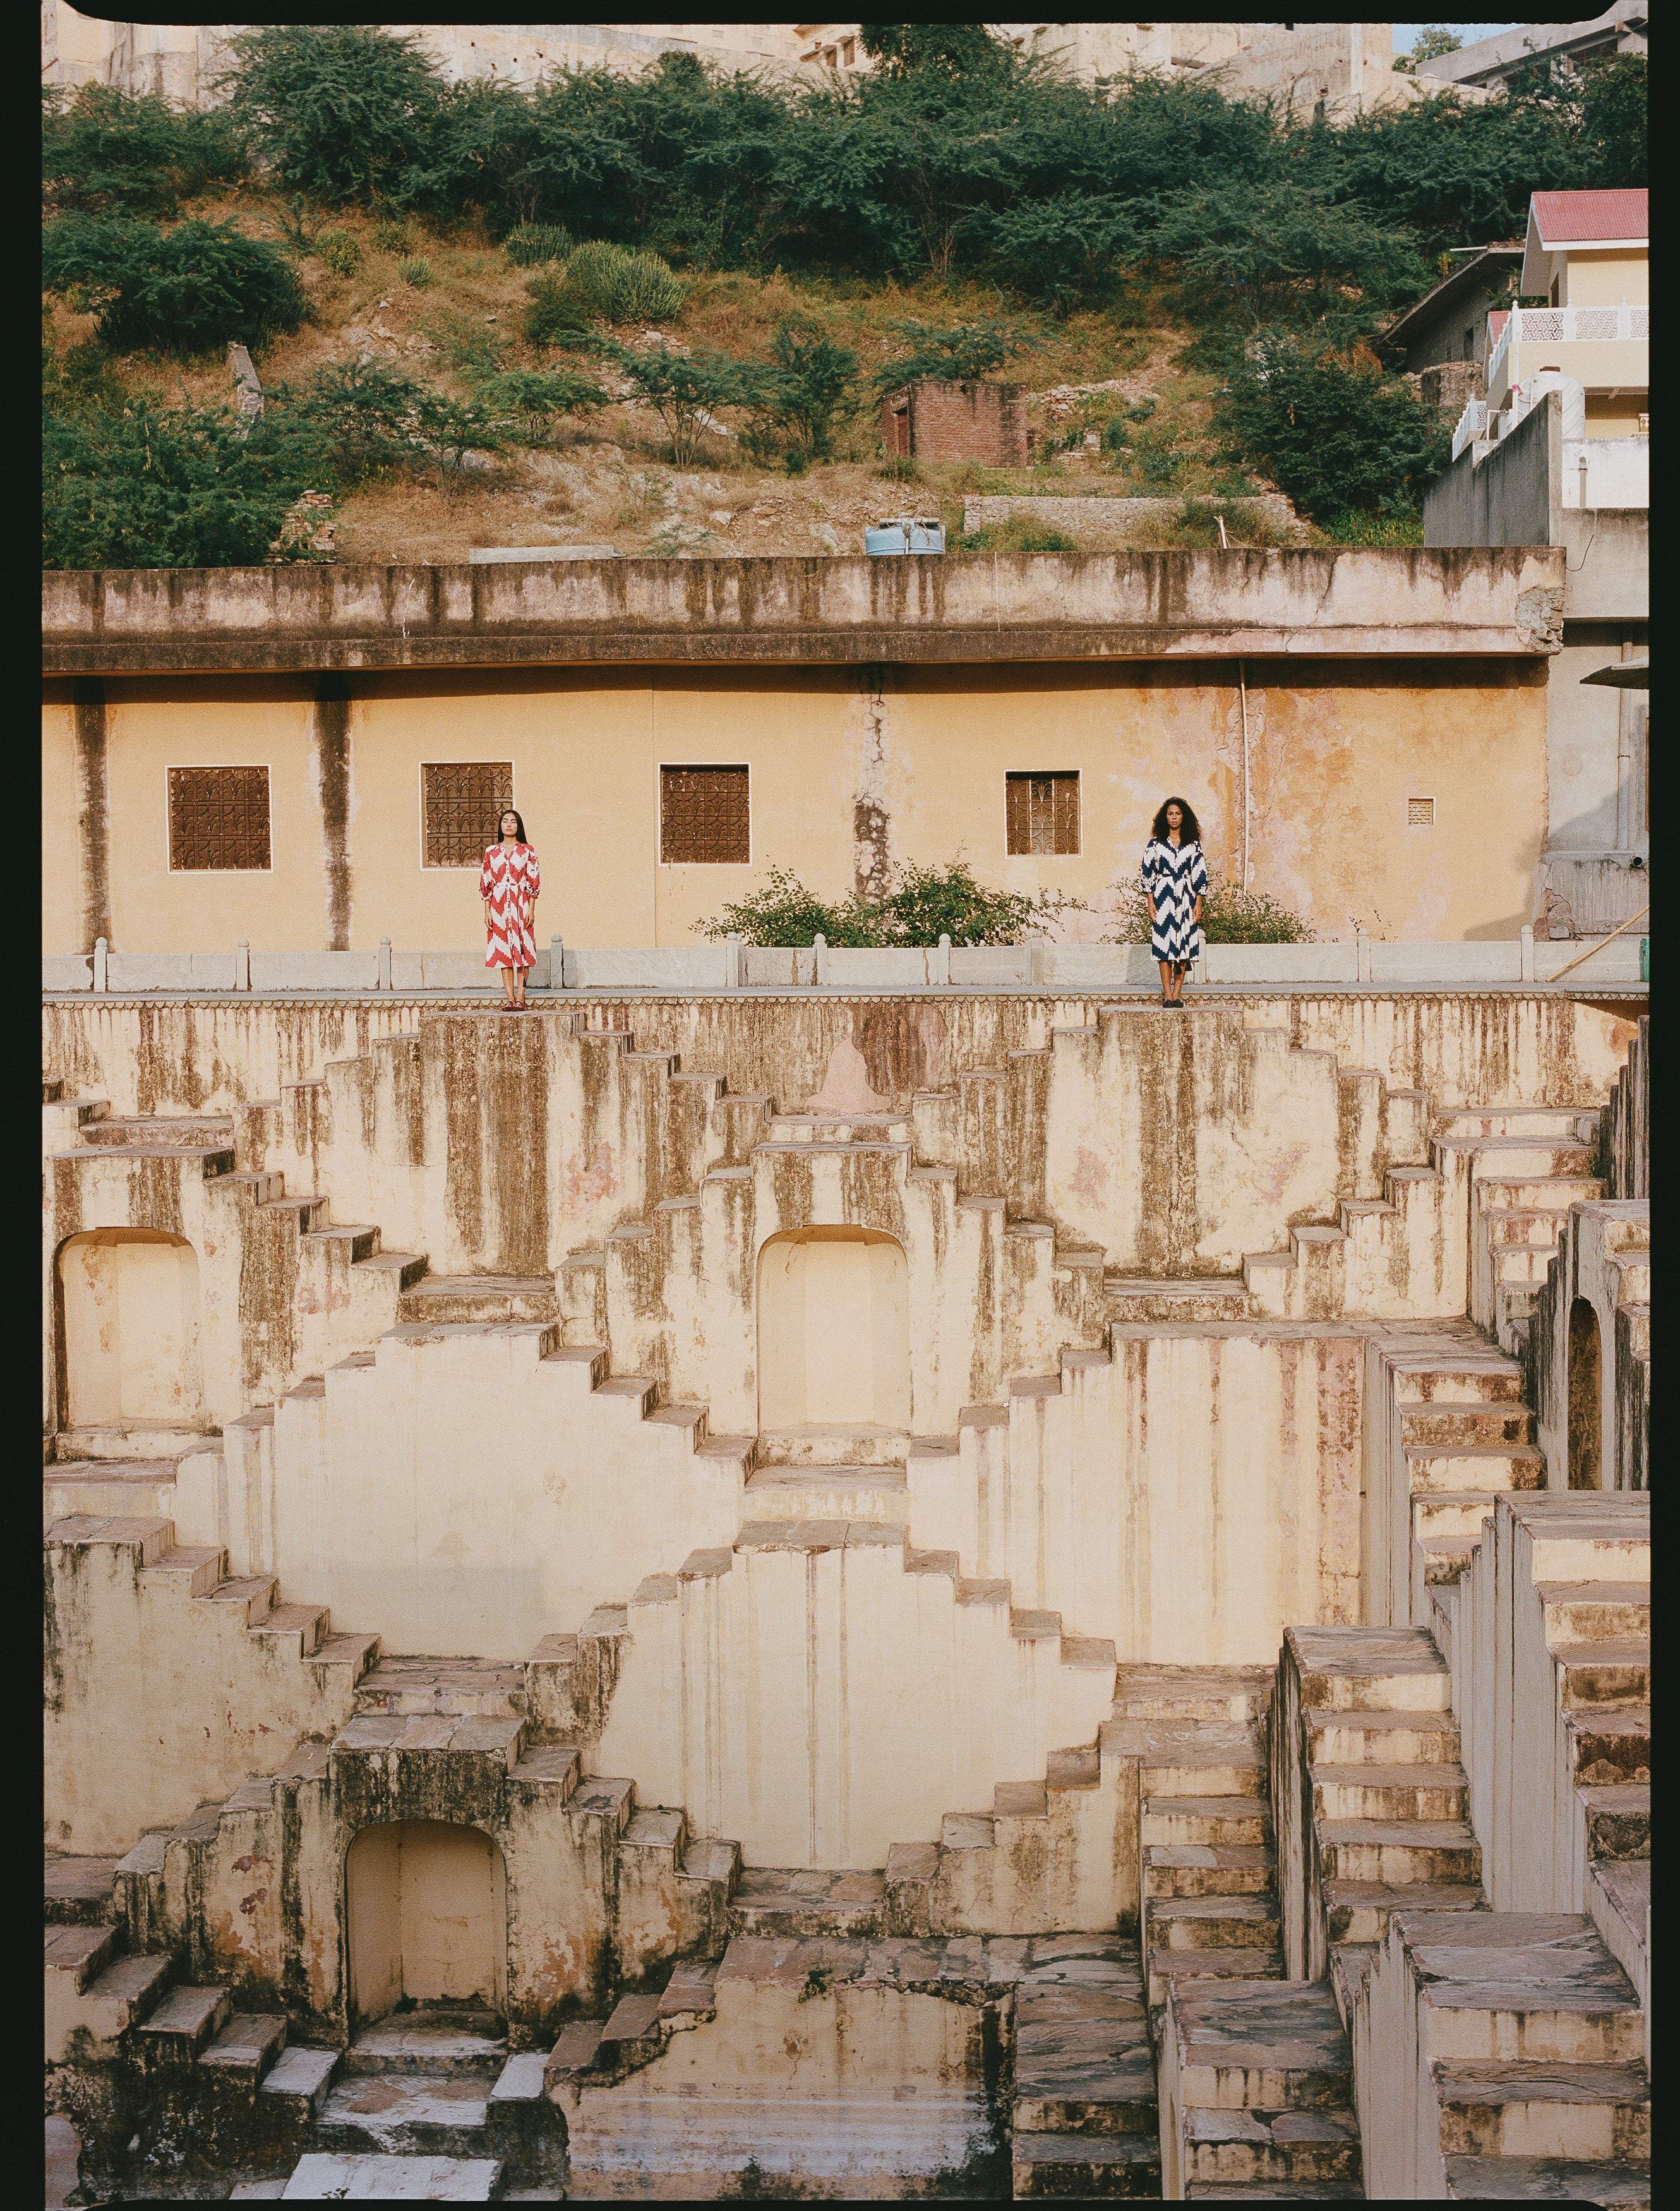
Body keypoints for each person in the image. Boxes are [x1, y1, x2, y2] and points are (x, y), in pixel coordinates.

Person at [1142, 797, 1207, 1008]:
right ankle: (1167, 994)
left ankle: (1178, 995)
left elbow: (1200, 874)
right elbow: (1147, 873)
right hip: (1163, 896)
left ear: (1183, 816)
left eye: (1178, 813)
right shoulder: (1156, 844)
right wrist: (1150, 901)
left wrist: (1198, 903)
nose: (1174, 817)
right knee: (1163, 945)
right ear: (1165, 816)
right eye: (1170, 813)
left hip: (1186, 897)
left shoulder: (1193, 844)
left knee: (1185, 946)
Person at [480, 808, 540, 1010]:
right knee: (503, 951)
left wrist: (531, 909)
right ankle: (509, 998)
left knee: (523, 951)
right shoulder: (491, 851)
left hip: (521, 901)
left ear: (518, 825)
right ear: (500, 825)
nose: (508, 825)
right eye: (505, 821)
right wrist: (487, 911)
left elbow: (533, 881)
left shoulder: (528, 851)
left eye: (513, 822)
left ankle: (521, 998)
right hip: (498, 905)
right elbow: (486, 881)